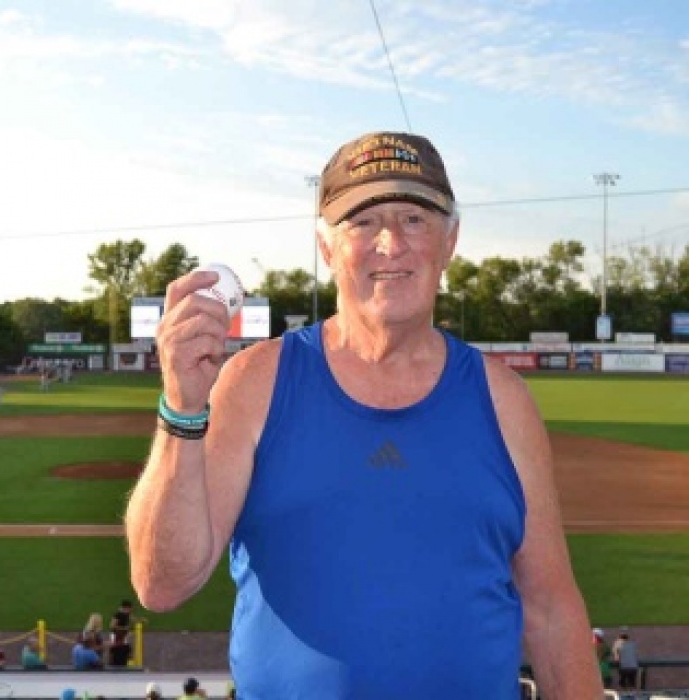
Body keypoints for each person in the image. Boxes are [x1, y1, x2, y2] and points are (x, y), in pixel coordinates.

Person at [125, 130, 603, 698]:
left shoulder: (504, 400)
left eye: (414, 219)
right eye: (363, 221)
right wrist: (182, 407)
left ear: (449, 242)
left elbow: (551, 611)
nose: (390, 243)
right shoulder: (257, 382)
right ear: (327, 248)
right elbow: (162, 582)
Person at [612, 626, 640, 690]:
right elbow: (635, 656)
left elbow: (617, 659)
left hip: (624, 668)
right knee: (632, 686)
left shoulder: (617, 644)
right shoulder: (632, 644)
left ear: (619, 636)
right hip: (633, 668)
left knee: (623, 686)